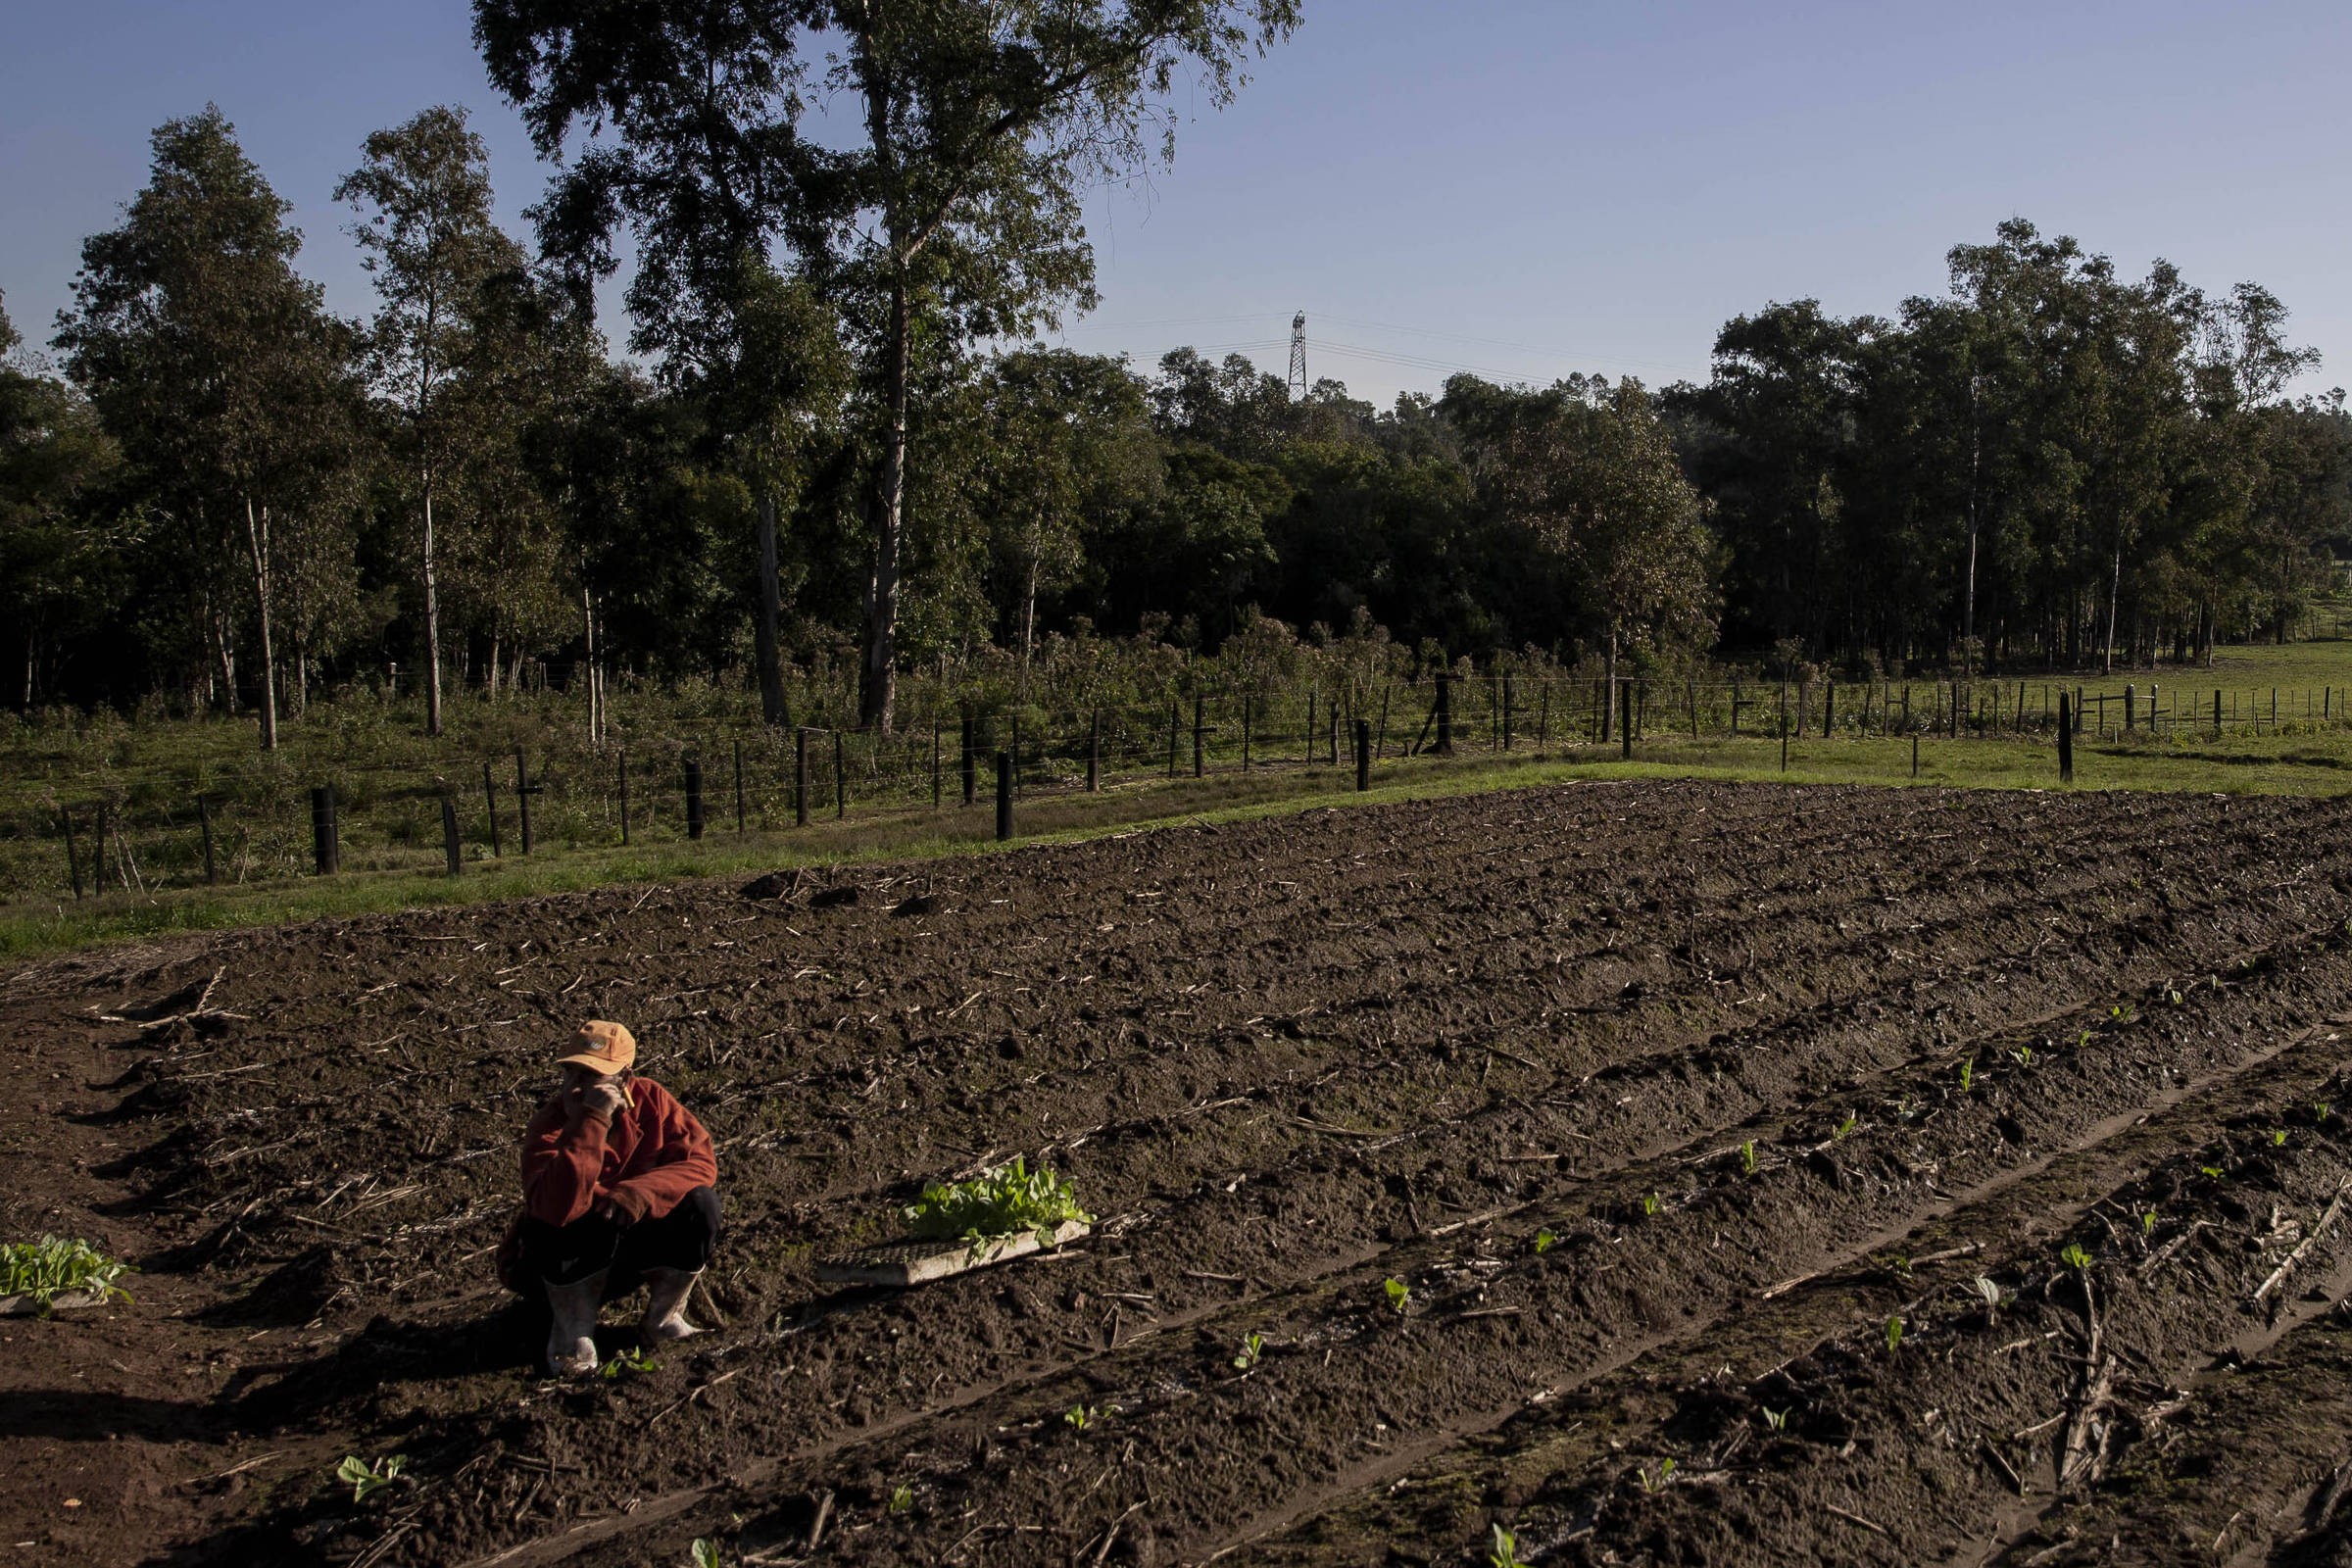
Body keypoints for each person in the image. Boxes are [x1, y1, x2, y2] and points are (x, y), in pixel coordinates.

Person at [496, 1020, 720, 1375]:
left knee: (701, 1205)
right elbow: (556, 1209)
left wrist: (640, 1193)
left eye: (591, 1075)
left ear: (624, 1078)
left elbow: (700, 1162)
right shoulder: (550, 1124)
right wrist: (593, 1120)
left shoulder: (652, 1101)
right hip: (559, 1259)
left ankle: (663, 1320)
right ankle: (572, 1336)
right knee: (554, 1223)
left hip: (622, 1247)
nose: (576, 1085)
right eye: (572, 1072)